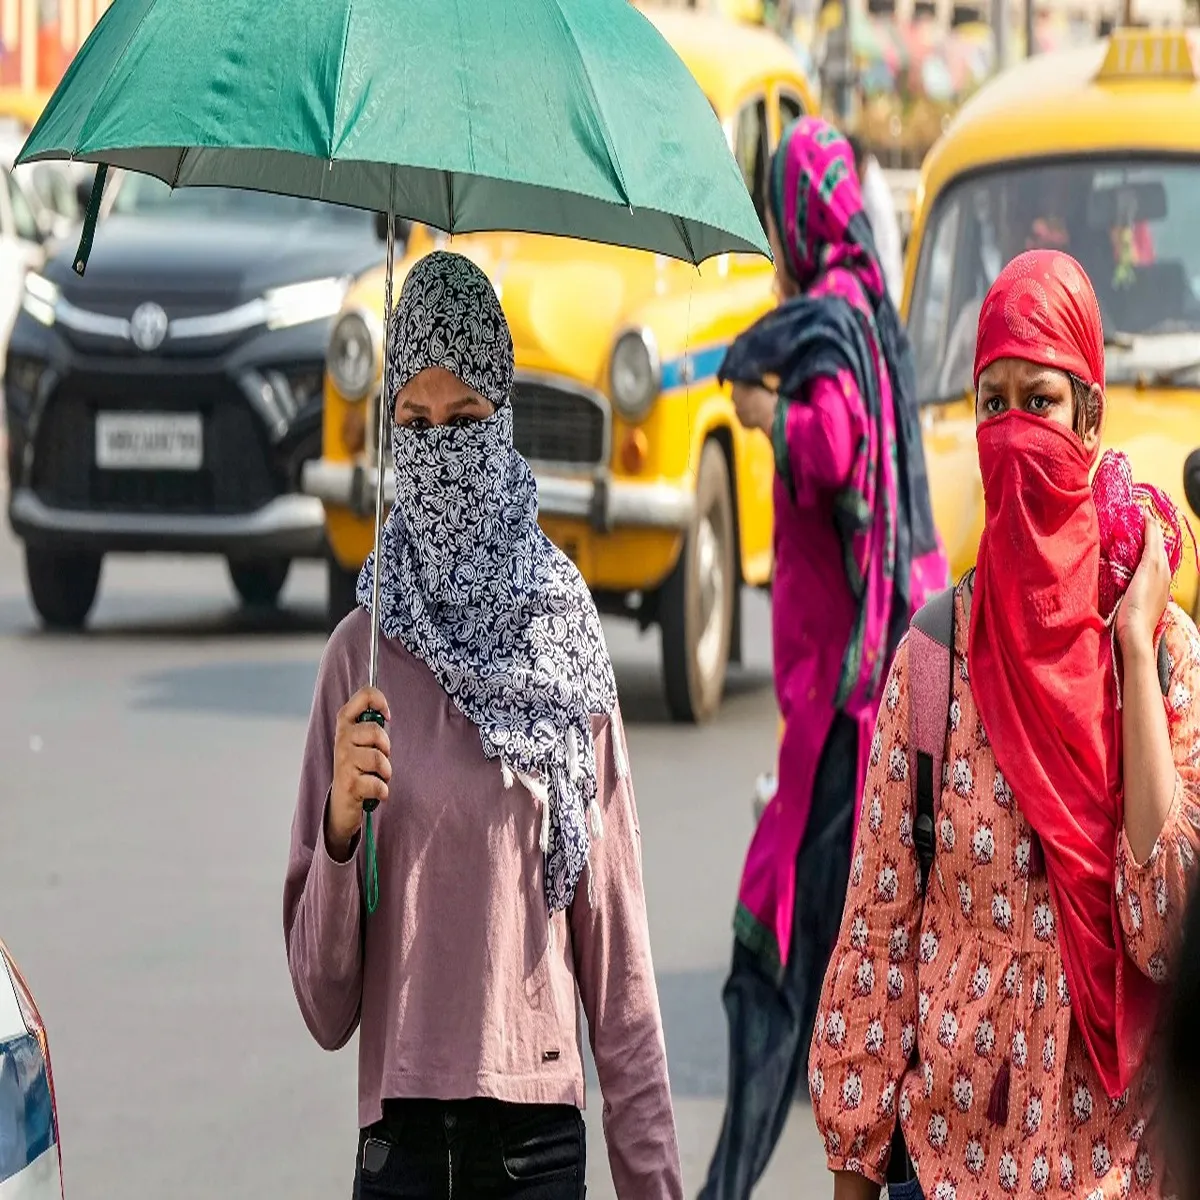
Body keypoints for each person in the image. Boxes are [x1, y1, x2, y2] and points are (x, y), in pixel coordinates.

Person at [283, 250, 683, 1199]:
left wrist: (655, 1184)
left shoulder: (562, 638)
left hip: (534, 1148)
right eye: (415, 424)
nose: (441, 452)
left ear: (504, 426)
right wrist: (341, 831)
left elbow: (620, 969)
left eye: (465, 422)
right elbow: (323, 1003)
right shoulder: (360, 653)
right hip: (398, 1151)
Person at [809, 249, 1200, 1200]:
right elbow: (875, 942)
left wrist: (1133, 652)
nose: (1016, 430)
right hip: (953, 1171)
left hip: (1118, 1174)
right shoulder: (936, 660)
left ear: (1092, 418)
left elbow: (1166, 931)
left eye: (1043, 401)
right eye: (994, 403)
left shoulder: (1167, 656)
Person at [699, 116, 948, 1200]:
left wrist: (769, 414)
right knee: (873, 964)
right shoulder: (870, 312)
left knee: (780, 962)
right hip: (869, 694)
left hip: (848, 713)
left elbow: (838, 448)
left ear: (795, 215)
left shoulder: (829, 326)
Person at [847, 132, 904, 307]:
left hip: (885, 292)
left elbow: (879, 254)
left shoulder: (875, 197)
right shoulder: (865, 188)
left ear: (860, 165)